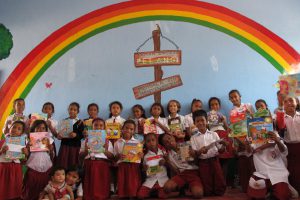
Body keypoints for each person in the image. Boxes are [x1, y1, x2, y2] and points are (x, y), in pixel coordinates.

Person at [191, 109, 226, 196]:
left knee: (219, 178)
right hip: (203, 162)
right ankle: (209, 192)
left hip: (215, 160)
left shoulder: (214, 134)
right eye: (197, 121)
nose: (200, 123)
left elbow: (220, 150)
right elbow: (195, 153)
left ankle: (219, 191)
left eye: (202, 120)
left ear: (206, 121)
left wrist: (224, 145)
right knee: (206, 182)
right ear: (194, 123)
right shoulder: (193, 138)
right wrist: (200, 151)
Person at [246, 131, 291, 200]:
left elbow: (284, 151)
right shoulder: (252, 134)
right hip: (261, 173)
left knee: (282, 195)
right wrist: (247, 144)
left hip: (278, 172)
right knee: (254, 195)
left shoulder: (274, 134)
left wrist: (278, 141)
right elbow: (249, 152)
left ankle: (287, 189)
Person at [160, 133, 203, 199]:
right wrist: (168, 161)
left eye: (169, 138)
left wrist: (193, 155)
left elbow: (193, 162)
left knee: (198, 194)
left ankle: (190, 187)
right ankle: (183, 187)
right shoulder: (169, 155)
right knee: (167, 188)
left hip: (193, 173)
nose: (169, 141)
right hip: (181, 175)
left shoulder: (184, 145)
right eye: (166, 142)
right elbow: (176, 171)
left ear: (173, 137)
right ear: (165, 146)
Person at [80, 118, 114, 200]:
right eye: (96, 125)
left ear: (104, 128)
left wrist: (104, 150)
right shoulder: (85, 140)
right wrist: (86, 150)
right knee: (90, 184)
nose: (98, 127)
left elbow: (112, 157)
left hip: (102, 165)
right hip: (89, 163)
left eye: (101, 125)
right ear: (92, 127)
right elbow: (80, 156)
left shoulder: (107, 141)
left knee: (101, 185)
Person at [228, 89, 255, 192]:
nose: (234, 99)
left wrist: (250, 113)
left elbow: (256, 120)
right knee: (243, 163)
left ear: (240, 96)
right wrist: (240, 141)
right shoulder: (232, 112)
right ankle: (245, 187)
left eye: (235, 96)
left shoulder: (248, 105)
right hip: (240, 138)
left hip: (251, 135)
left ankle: (255, 187)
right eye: (232, 97)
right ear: (230, 100)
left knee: (253, 163)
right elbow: (234, 129)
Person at [22, 120, 55, 200]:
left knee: (43, 191)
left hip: (46, 169)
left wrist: (51, 150)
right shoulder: (28, 139)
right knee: (30, 190)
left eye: (43, 128)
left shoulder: (48, 139)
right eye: (38, 128)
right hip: (33, 169)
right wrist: (27, 150)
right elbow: (25, 157)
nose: (41, 130)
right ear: (33, 129)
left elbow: (52, 157)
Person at [208, 97, 234, 187]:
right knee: (215, 159)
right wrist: (209, 122)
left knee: (225, 159)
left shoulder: (223, 116)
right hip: (213, 135)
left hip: (223, 134)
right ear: (209, 106)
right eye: (212, 104)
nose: (214, 106)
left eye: (216, 104)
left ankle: (224, 182)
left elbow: (228, 129)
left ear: (219, 106)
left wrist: (224, 121)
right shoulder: (207, 115)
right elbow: (206, 128)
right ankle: (217, 182)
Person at [137, 133, 173, 199]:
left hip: (163, 180)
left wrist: (165, 162)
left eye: (153, 140)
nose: (151, 142)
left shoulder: (163, 152)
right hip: (151, 180)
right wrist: (144, 169)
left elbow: (170, 166)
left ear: (156, 141)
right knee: (140, 196)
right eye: (148, 141)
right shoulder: (145, 156)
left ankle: (156, 192)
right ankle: (155, 191)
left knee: (162, 196)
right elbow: (144, 171)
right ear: (145, 144)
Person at [114, 119, 143, 198]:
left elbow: (141, 156)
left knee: (133, 182)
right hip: (122, 166)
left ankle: (133, 195)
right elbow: (115, 157)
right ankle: (123, 195)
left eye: (131, 129)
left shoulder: (137, 142)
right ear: (122, 129)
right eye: (126, 128)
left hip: (134, 166)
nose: (128, 130)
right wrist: (119, 156)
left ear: (134, 131)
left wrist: (141, 155)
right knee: (123, 182)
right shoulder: (117, 142)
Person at [277, 96, 300, 194]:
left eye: (291, 100)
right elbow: (280, 126)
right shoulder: (281, 117)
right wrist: (280, 110)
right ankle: (295, 190)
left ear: (297, 102)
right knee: (292, 169)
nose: (289, 103)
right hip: (289, 147)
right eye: (285, 102)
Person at [0, 121, 28, 199]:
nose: (15, 129)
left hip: (16, 170)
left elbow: (23, 162)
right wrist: (1, 151)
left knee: (13, 191)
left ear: (21, 133)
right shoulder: (2, 141)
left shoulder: (22, 145)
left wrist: (26, 154)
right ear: (10, 128)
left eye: (19, 129)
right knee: (2, 189)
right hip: (3, 169)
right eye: (14, 127)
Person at [56, 102, 84, 169]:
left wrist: (76, 135)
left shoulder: (80, 122)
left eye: (75, 110)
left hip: (75, 147)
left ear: (78, 111)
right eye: (71, 109)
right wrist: (59, 136)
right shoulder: (64, 121)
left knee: (73, 165)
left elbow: (82, 135)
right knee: (63, 164)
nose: (72, 111)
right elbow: (60, 134)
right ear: (68, 110)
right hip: (65, 146)